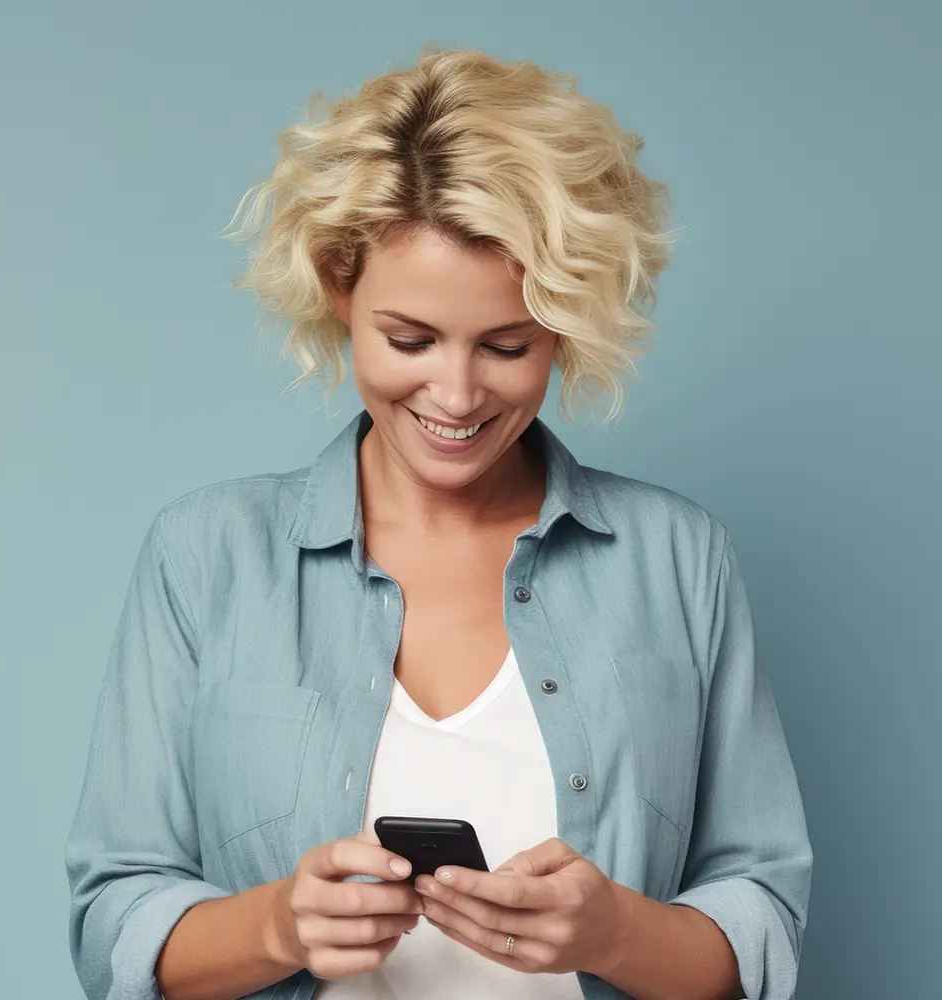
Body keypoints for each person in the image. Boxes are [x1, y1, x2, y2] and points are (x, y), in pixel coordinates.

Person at [64, 44, 812, 1000]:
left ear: (566, 322)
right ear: (341, 291)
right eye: (409, 339)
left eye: (508, 345)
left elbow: (763, 923)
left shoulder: (678, 560)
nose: (455, 395)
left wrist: (616, 930)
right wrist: (278, 923)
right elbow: (113, 922)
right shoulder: (207, 557)